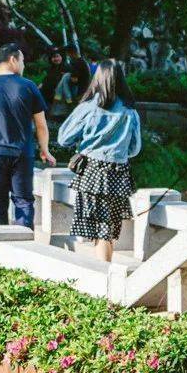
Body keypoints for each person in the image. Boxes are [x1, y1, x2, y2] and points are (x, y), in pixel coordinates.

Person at [57, 59, 141, 262]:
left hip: (91, 172)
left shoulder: (87, 108)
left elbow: (63, 138)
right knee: (107, 228)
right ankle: (104, 272)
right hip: (119, 174)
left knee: (100, 229)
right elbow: (134, 149)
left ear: (98, 80)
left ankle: (102, 275)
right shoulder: (130, 111)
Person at [0, 43, 55, 228]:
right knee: (23, 201)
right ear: (13, 60)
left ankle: (0, 251)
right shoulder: (29, 86)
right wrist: (45, 149)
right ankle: (23, 247)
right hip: (22, 153)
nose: (23, 65)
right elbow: (41, 125)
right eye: (22, 60)